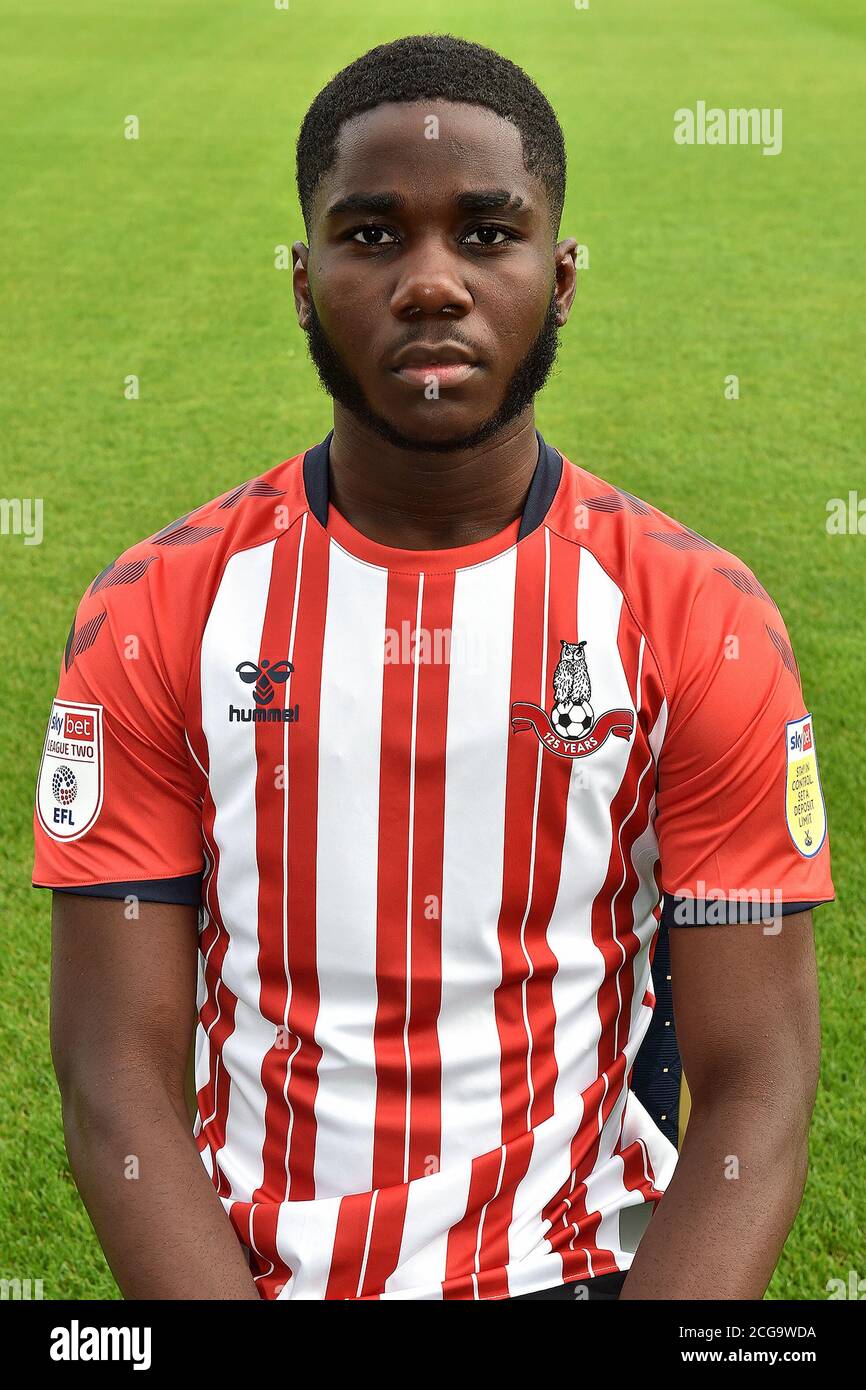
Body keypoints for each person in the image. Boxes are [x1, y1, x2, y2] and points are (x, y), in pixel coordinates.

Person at [33, 34, 833, 1302]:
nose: (427, 285)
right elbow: (112, 1081)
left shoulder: (699, 618)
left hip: (572, 1273)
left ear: (560, 277)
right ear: (299, 282)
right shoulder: (155, 612)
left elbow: (756, 1082)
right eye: (368, 237)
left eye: (483, 233)